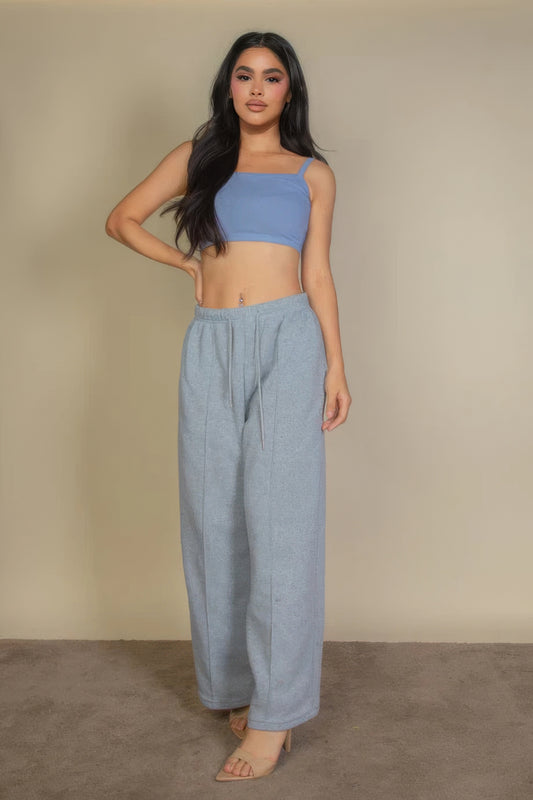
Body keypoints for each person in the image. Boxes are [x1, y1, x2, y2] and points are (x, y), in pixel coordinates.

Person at [105, 30, 351, 783]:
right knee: (212, 519)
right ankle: (237, 688)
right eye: (244, 75)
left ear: (288, 89)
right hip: (211, 343)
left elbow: (317, 271)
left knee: (281, 523)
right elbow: (121, 219)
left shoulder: (312, 173)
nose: (256, 89)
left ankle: (276, 717)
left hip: (288, 342)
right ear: (229, 86)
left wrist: (337, 366)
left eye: (271, 77)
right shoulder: (198, 156)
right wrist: (187, 264)